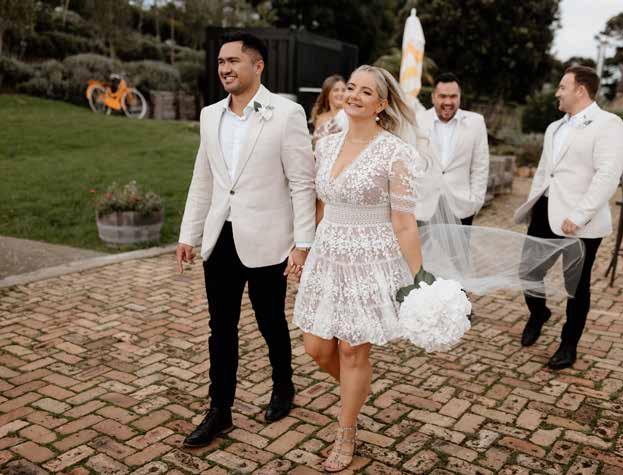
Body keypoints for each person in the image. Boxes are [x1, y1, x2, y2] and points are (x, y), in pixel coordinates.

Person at [176, 31, 316, 447]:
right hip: (221, 237)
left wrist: (302, 244)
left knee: (270, 320)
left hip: (269, 240)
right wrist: (189, 234)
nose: (224, 68)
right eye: (221, 61)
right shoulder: (210, 115)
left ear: (258, 65)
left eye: (233, 61)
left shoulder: (287, 114)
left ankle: (283, 385)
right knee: (220, 328)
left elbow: (302, 183)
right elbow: (203, 179)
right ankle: (219, 410)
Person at [292, 65, 423, 472]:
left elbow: (404, 223)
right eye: (351, 88)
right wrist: (304, 249)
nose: (354, 96)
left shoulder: (395, 153)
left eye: (366, 92)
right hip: (328, 253)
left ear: (381, 104)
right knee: (316, 347)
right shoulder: (326, 143)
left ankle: (345, 433)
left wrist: (420, 277)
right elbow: (318, 203)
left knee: (352, 349)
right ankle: (358, 388)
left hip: (371, 257)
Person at [514, 65, 623, 369]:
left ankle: (568, 345)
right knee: (528, 271)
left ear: (580, 90)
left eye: (562, 87)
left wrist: (579, 215)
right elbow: (544, 172)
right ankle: (539, 314)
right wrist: (532, 207)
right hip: (544, 212)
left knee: (575, 286)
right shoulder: (554, 127)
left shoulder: (609, 124)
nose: (557, 93)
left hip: (581, 224)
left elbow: (607, 176)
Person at [415, 73, 489, 226]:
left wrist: (475, 201)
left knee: (459, 244)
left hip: (461, 207)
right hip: (423, 206)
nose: (448, 102)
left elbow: (480, 165)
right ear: (433, 97)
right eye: (442, 96)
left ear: (460, 97)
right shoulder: (417, 120)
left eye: (453, 96)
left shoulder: (476, 122)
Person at [310, 75, 346, 146]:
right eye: (336, 90)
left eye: (343, 90)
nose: (341, 93)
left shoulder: (351, 117)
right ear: (327, 93)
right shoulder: (320, 118)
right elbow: (315, 145)